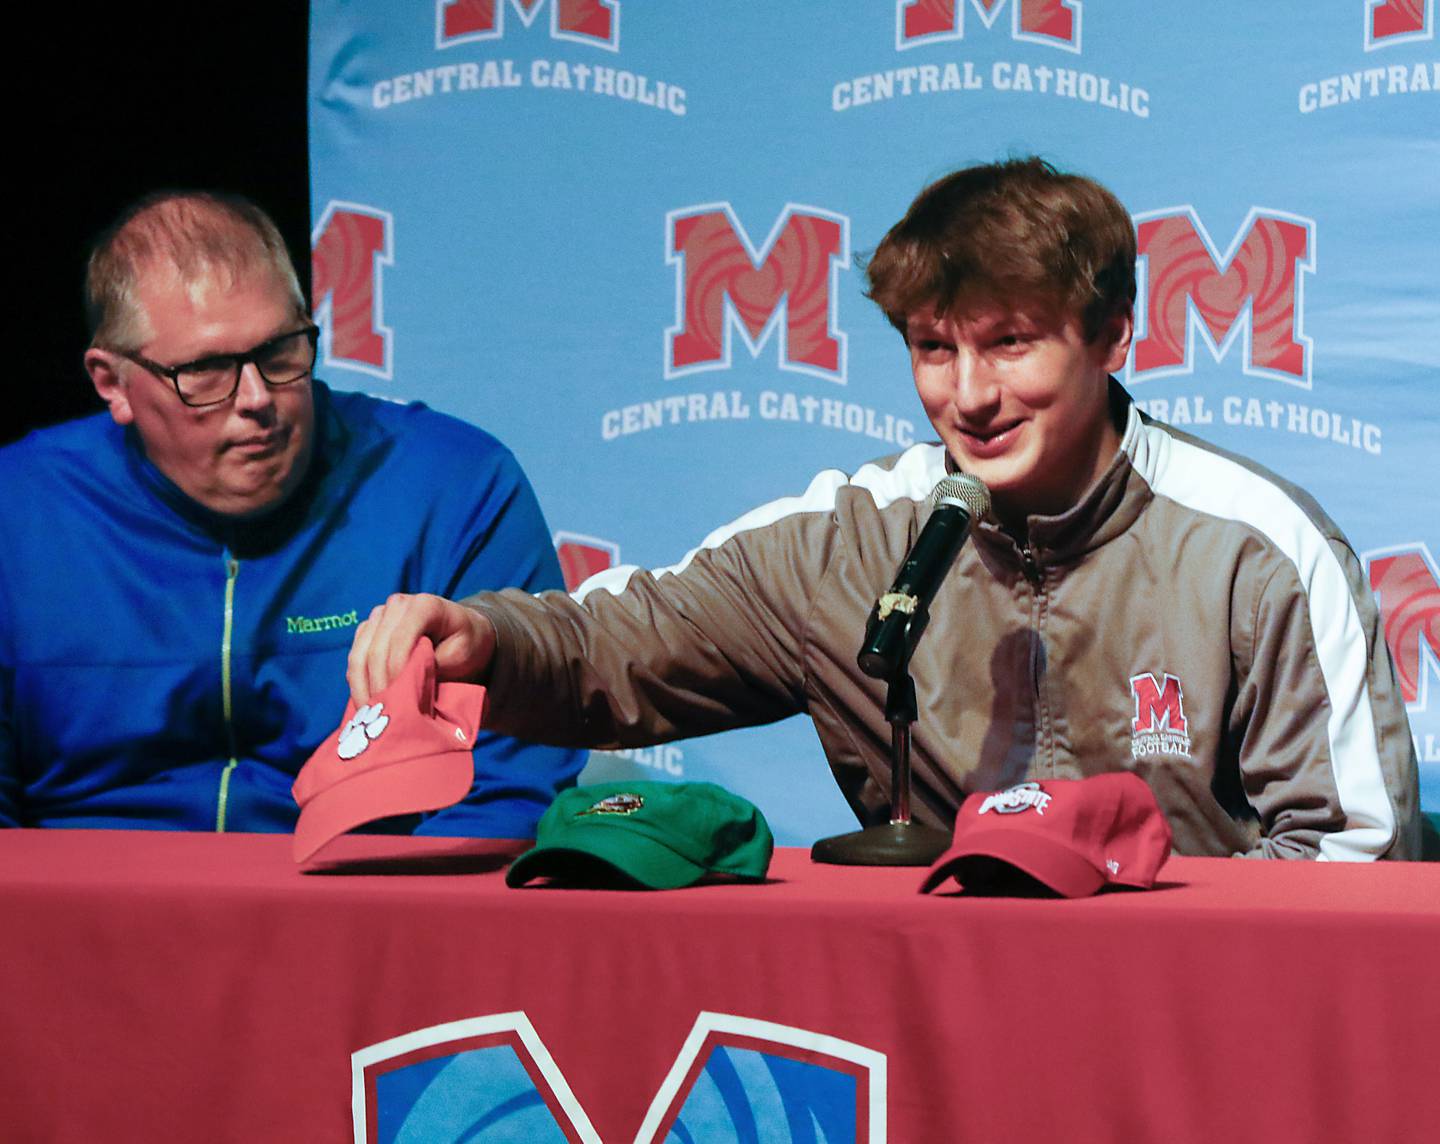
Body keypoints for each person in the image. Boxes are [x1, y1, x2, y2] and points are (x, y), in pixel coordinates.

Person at [345, 158, 1420, 860]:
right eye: (933, 348)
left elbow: (1354, 853)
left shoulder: (1254, 547)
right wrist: (488, 638)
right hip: (934, 1007)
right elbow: (622, 642)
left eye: (1011, 342)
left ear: (1110, 335)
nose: (969, 394)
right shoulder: (854, 540)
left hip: (1189, 1016)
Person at [0, 191, 583, 835]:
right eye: (205, 370)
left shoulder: (457, 486)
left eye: (281, 352)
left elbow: (503, 792)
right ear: (112, 383)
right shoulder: (19, 509)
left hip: (366, 907)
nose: (257, 398)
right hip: (81, 914)